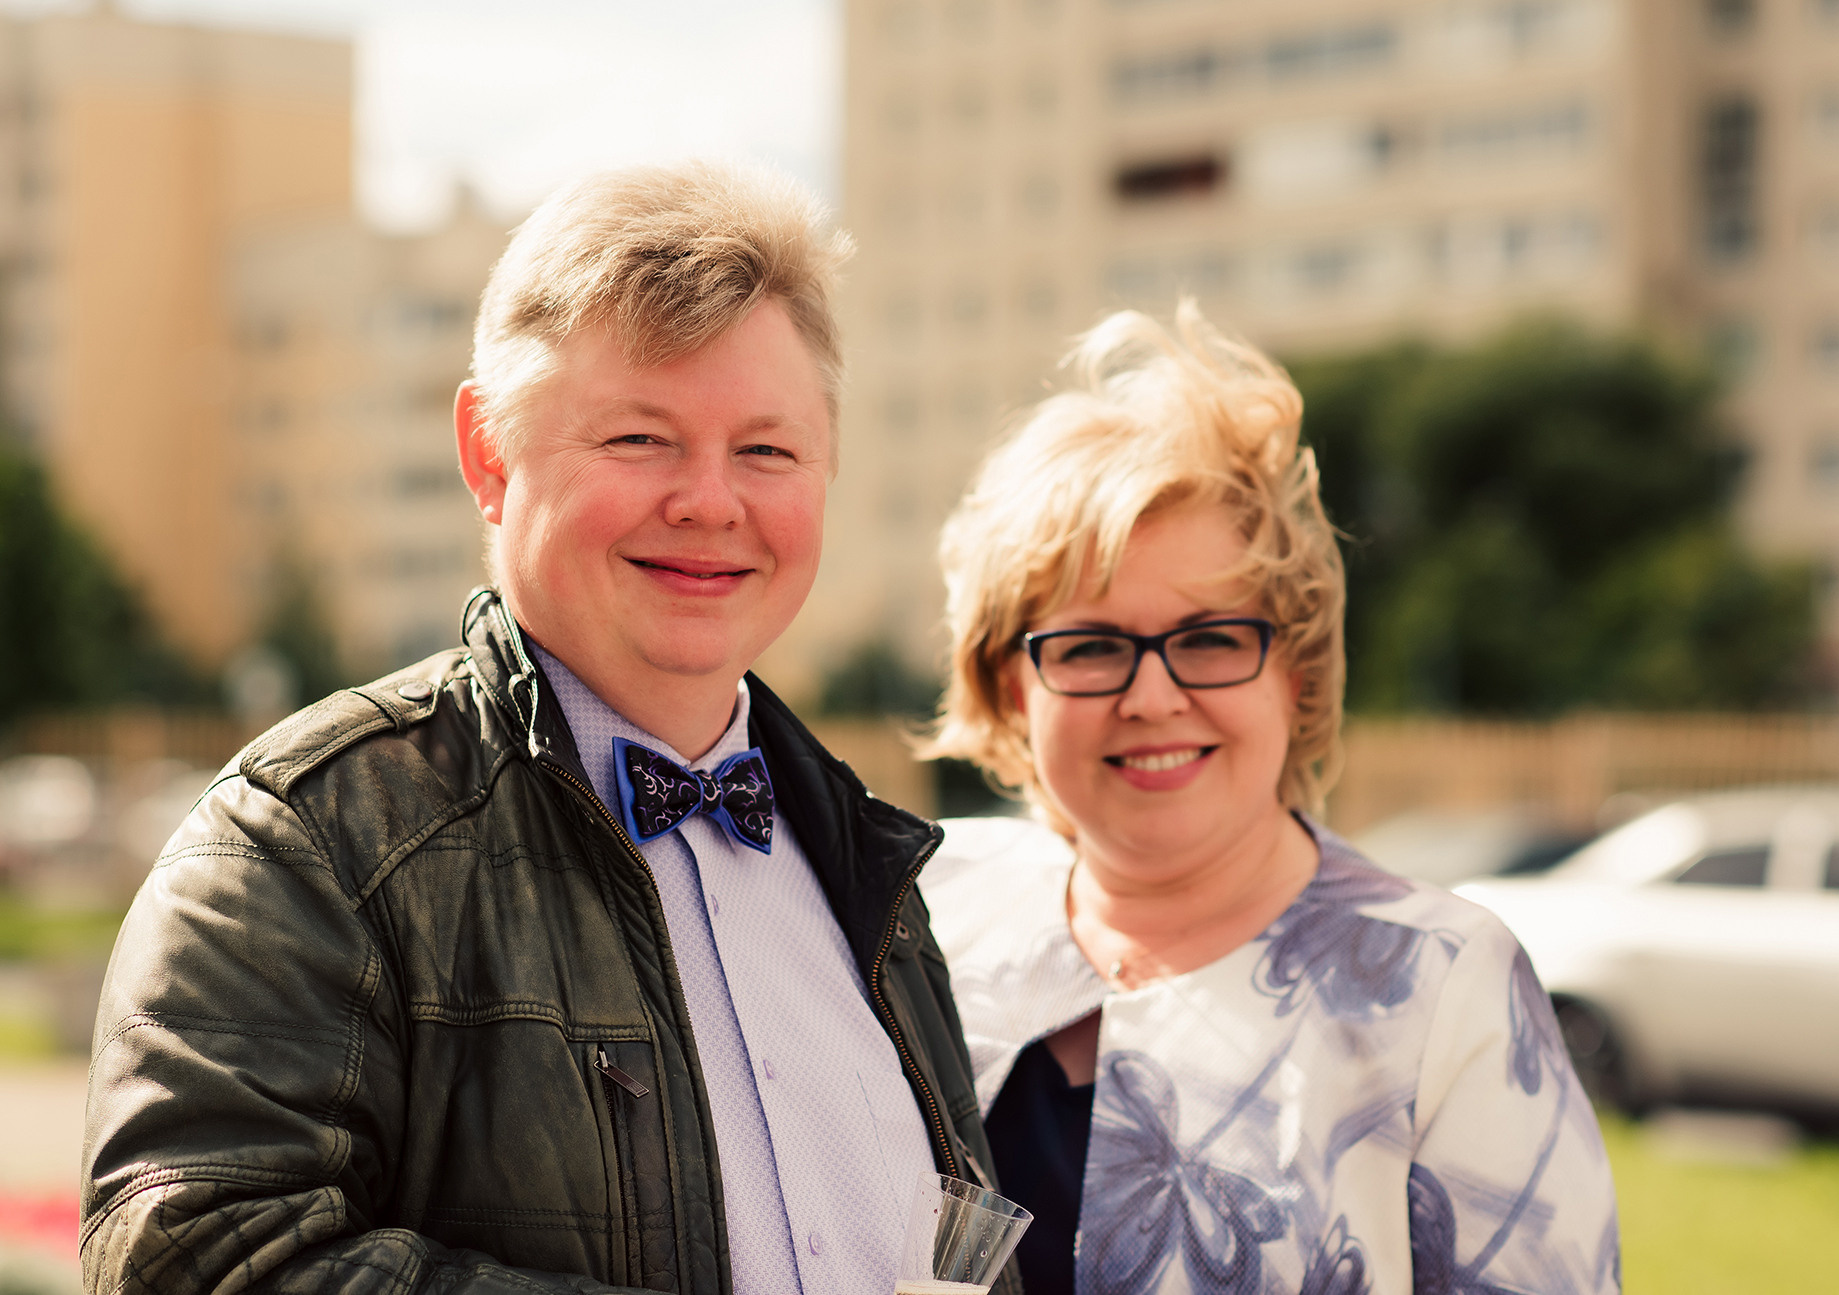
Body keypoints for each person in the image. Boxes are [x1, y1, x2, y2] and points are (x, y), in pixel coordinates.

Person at [82, 163, 1008, 1295]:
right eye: (638, 439)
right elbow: (196, 1262)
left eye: (765, 450)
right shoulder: (302, 842)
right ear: (487, 453)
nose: (711, 501)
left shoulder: (877, 875)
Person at [919, 306, 1621, 1295]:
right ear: (1005, 685)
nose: (1151, 695)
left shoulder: (1441, 983)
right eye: (1088, 645)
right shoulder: (929, 916)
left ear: (1293, 671)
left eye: (1208, 637)